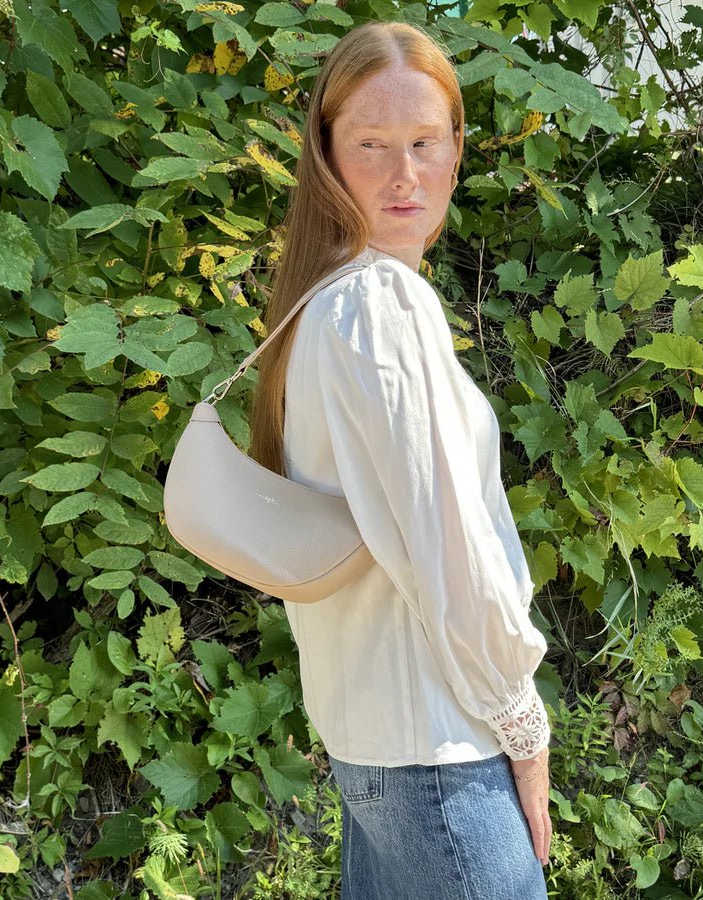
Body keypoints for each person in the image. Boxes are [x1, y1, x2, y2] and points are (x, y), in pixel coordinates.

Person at [247, 20, 553, 900]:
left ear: (458, 150)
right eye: (372, 145)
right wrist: (521, 723)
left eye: (424, 142)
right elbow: (445, 548)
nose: (405, 173)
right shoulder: (381, 308)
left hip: (374, 744)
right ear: (328, 155)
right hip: (438, 748)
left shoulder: (323, 300)